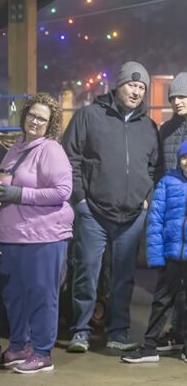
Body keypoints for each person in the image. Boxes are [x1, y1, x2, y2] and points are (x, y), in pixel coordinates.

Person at [63, 61, 158, 353]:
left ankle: (119, 330)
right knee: (86, 272)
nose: (136, 91)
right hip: (93, 212)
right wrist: (80, 200)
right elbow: (71, 158)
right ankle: (81, 330)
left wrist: (146, 200)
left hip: (132, 216)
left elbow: (152, 167)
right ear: (118, 85)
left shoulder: (148, 126)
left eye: (142, 87)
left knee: (123, 278)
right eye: (132, 84)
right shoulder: (89, 116)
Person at [0, 93, 74, 374]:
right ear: (23, 116)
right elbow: (8, 180)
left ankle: (41, 352)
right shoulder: (17, 146)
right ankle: (19, 346)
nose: (35, 121)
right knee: (15, 294)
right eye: (32, 115)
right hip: (13, 233)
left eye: (42, 118)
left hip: (44, 235)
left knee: (41, 294)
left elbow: (62, 192)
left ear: (50, 124)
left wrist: (19, 193)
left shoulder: (51, 150)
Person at [121, 140, 187, 364]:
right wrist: (156, 256)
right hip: (171, 256)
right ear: (179, 160)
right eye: (184, 157)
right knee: (161, 301)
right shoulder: (167, 183)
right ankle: (149, 346)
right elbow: (155, 223)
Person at [153, 72, 187, 351]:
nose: (177, 101)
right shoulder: (165, 130)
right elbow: (159, 169)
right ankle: (176, 331)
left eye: (183, 95)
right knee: (172, 277)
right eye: (174, 97)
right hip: (173, 212)